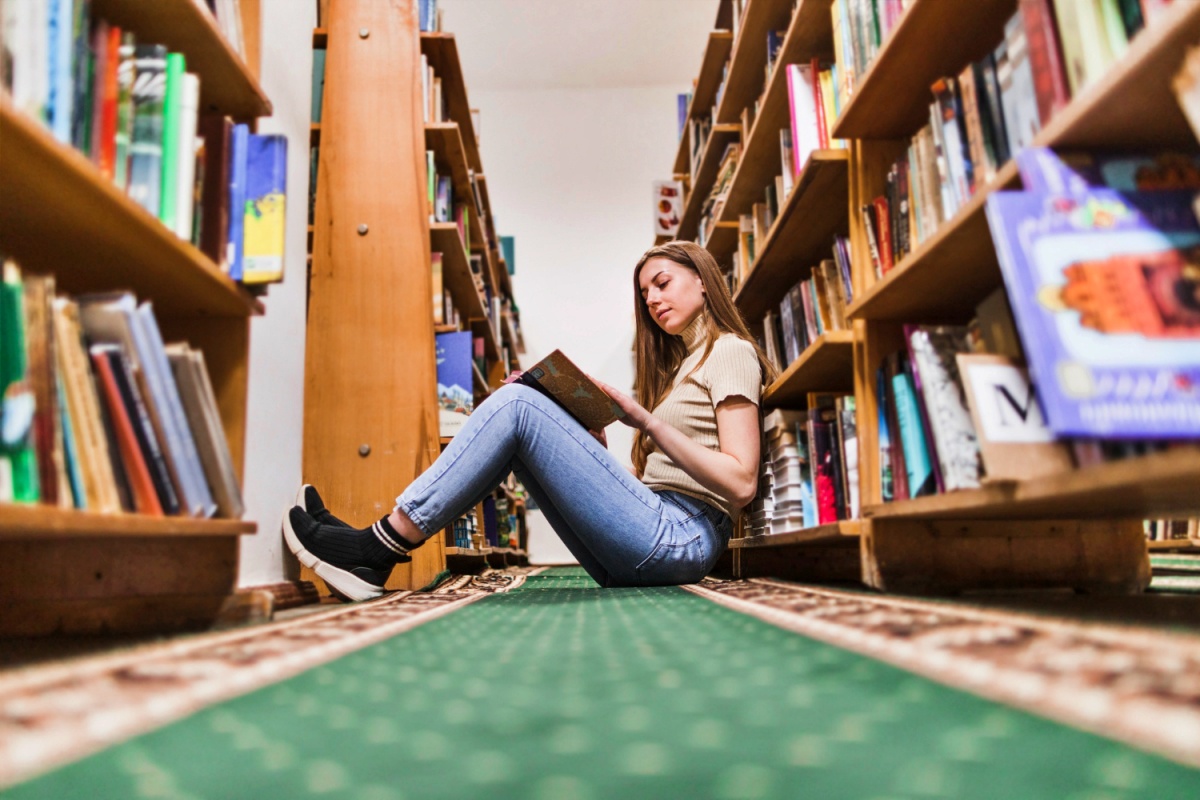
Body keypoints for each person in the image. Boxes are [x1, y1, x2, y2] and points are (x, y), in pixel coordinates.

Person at [283, 241, 776, 600]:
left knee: (518, 404)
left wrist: (645, 421)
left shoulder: (729, 352)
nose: (651, 299)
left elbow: (740, 482)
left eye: (662, 283)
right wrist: (592, 449)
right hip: (660, 530)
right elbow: (656, 487)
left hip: (681, 538)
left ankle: (377, 547)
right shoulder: (681, 369)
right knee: (522, 416)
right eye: (645, 292)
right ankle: (374, 548)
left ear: (704, 280)